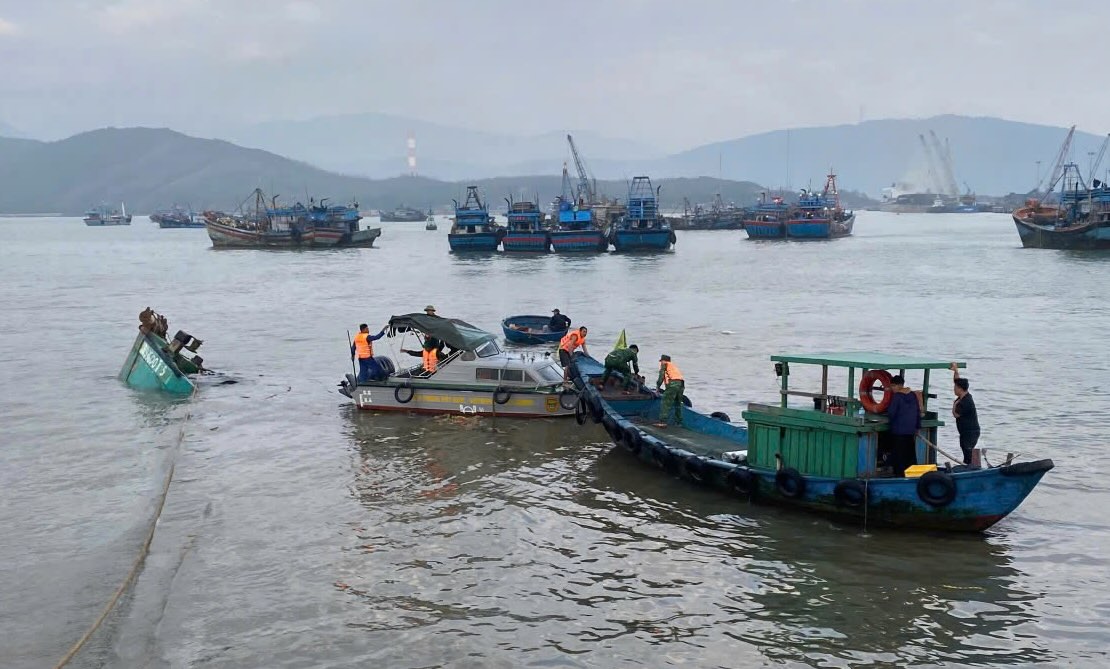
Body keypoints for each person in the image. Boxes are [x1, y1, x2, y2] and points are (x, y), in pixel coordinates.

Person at [885, 374, 921, 476]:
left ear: (898, 385)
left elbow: (891, 412)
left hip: (899, 431)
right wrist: (917, 427)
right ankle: (913, 474)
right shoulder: (913, 395)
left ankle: (899, 475)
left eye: (893, 386)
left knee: (899, 456)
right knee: (910, 455)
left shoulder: (897, 397)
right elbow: (918, 411)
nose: (892, 389)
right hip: (911, 431)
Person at [951, 362, 981, 465]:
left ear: (960, 389)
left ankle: (972, 468)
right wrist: (956, 371)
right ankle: (968, 466)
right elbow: (957, 381)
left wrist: (954, 404)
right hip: (965, 432)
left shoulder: (965, 402)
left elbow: (955, 414)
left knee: (968, 453)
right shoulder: (963, 396)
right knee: (965, 452)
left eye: (955, 388)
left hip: (970, 432)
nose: (954, 389)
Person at [654, 354, 685, 427]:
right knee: (678, 403)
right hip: (681, 384)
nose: (661, 363)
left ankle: (662, 422)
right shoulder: (673, 366)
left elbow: (661, 377)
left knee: (665, 402)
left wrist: (658, 387)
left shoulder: (664, 365)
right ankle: (679, 422)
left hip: (673, 384)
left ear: (664, 361)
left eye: (661, 361)